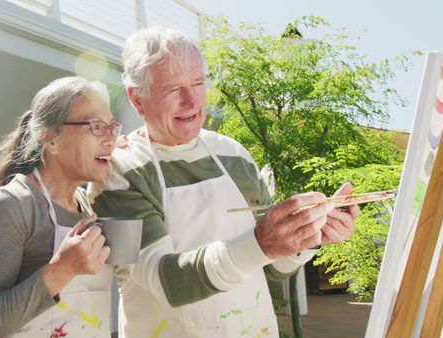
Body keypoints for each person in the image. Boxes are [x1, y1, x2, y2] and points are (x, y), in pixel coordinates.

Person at [88, 27, 360, 337]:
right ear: (137, 98)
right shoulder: (114, 173)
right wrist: (262, 242)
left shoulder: (234, 155)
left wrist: (308, 237)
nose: (191, 100)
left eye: (198, 83)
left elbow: (272, 268)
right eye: (174, 88)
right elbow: (166, 281)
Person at [0, 76, 123, 338]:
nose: (111, 140)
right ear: (50, 139)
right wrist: (62, 270)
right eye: (96, 127)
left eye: (112, 127)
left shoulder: (88, 206)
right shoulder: (10, 206)